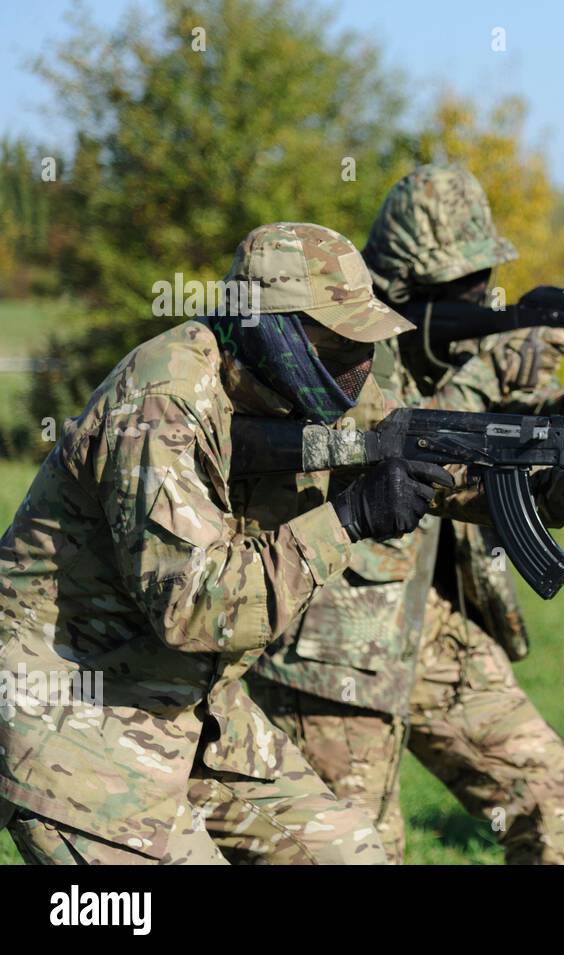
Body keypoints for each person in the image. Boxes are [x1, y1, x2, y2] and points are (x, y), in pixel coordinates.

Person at [248, 164, 564, 863]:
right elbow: (399, 430)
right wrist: (495, 370)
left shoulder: (451, 359)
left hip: (434, 628)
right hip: (334, 649)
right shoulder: (340, 349)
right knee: (359, 851)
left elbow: (511, 450)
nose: (484, 299)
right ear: (406, 289)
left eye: (486, 282)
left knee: (548, 794)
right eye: (465, 290)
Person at [0, 223, 433, 863]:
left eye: (360, 343)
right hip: (76, 729)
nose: (356, 364)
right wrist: (349, 518)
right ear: (270, 332)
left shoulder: (305, 386)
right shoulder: (161, 402)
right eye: (338, 343)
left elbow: (428, 453)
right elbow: (196, 606)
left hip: (195, 716)